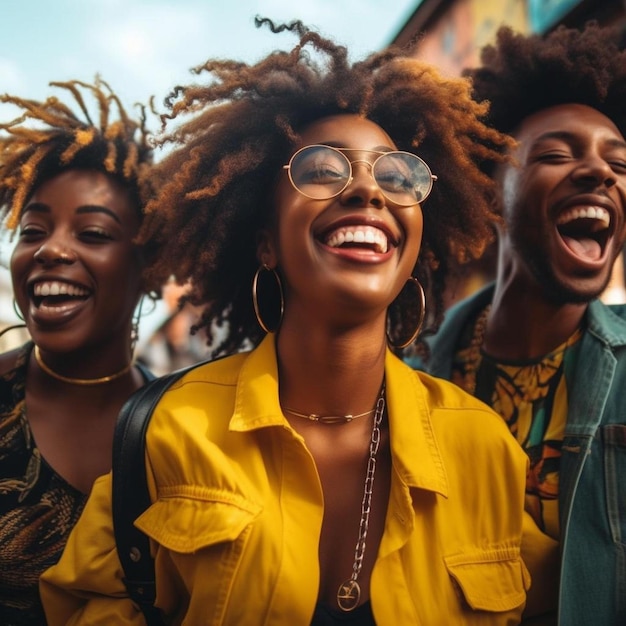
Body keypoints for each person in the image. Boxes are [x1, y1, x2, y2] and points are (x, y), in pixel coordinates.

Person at [41, 18, 531, 625]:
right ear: (266, 242)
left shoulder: (487, 450)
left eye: (396, 176)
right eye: (323, 170)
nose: (368, 191)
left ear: (414, 253)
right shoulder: (169, 431)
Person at [410, 22, 626, 625]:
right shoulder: (408, 376)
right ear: (490, 192)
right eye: (557, 154)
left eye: (621, 165)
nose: (602, 174)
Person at [0, 77, 164, 625]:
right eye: (32, 231)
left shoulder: (186, 431)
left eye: (92, 233)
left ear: (150, 270)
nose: (50, 249)